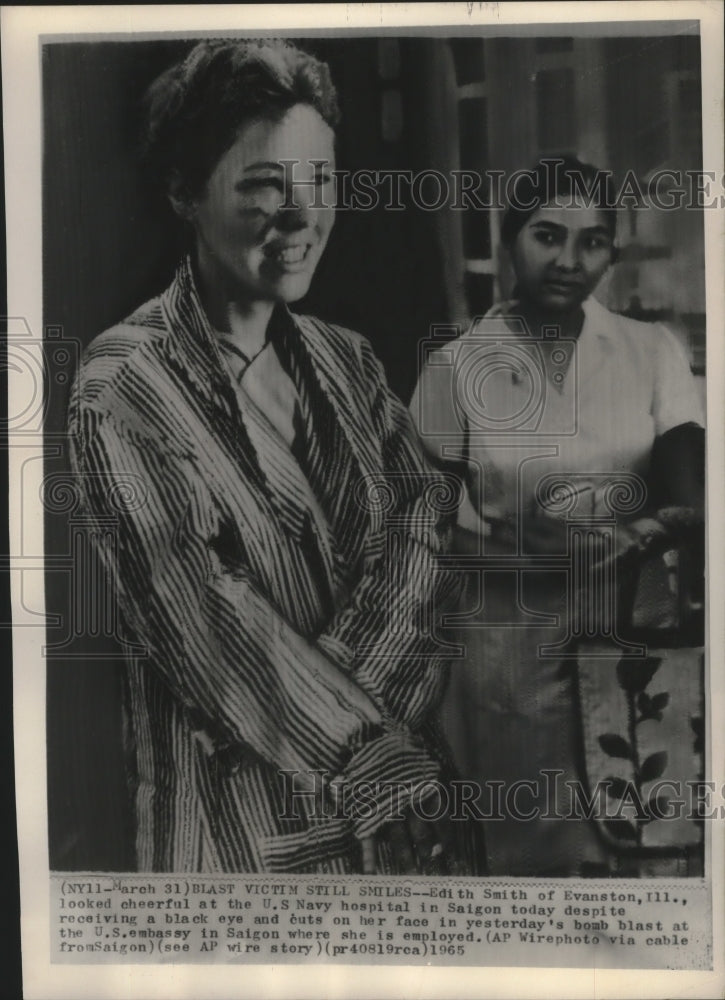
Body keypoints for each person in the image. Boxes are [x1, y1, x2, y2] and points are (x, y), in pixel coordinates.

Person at [68, 39, 470, 875]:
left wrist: (367, 724)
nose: (300, 219)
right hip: (237, 841)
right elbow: (203, 613)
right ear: (183, 191)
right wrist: (367, 752)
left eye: (319, 183)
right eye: (262, 188)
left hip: (396, 835)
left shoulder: (346, 359)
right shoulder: (123, 381)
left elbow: (423, 528)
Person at [411, 156, 705, 876]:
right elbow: (419, 535)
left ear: (612, 250)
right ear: (510, 238)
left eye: (592, 242)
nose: (569, 261)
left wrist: (655, 528)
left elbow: (693, 498)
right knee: (528, 861)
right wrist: (531, 559)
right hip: (509, 651)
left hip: (632, 641)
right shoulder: (456, 368)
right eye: (547, 236)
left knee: (644, 849)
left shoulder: (648, 352)